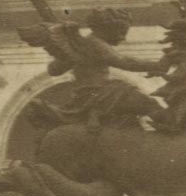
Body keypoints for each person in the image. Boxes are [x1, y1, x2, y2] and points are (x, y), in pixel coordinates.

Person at [20, 8, 168, 132]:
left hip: (86, 94)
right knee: (148, 103)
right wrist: (157, 65)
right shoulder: (95, 43)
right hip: (101, 93)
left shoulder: (84, 44)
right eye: (121, 31)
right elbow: (124, 62)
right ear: (107, 28)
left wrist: (68, 57)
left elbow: (53, 69)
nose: (123, 37)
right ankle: (172, 130)